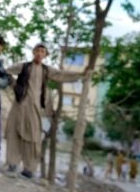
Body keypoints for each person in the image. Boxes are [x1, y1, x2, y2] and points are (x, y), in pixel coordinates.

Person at [5, 43, 84, 178]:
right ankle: (12, 163)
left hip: (34, 107)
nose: (39, 53)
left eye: (42, 51)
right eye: (37, 50)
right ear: (33, 52)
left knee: (34, 136)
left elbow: (61, 75)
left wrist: (80, 75)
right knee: (13, 132)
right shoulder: (24, 66)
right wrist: (14, 85)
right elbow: (7, 71)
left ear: (45, 55)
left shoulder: (47, 70)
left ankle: (29, 168)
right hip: (19, 104)